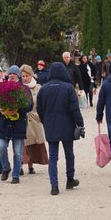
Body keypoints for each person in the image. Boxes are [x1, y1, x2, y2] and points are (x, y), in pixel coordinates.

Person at [37, 62, 84, 195]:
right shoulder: (68, 88)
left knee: (53, 156)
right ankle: (70, 179)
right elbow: (74, 109)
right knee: (69, 153)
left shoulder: (44, 89)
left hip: (50, 125)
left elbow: (39, 109)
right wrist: (80, 124)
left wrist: (44, 121)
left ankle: (54, 185)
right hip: (67, 124)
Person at [0, 66, 32, 184]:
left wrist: (17, 109)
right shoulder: (1, 87)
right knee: (0, 147)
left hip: (18, 123)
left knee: (18, 151)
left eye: (14, 73)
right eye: (10, 73)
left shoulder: (24, 89)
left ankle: (15, 175)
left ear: (18, 75)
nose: (12, 75)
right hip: (3, 123)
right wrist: (1, 109)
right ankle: (6, 168)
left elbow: (29, 106)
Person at [20, 64, 48, 174]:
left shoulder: (38, 87)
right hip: (23, 119)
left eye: (27, 76)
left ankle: (31, 165)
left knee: (34, 143)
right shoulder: (19, 88)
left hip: (35, 118)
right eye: (23, 76)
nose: (25, 78)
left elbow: (42, 103)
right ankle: (21, 165)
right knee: (23, 143)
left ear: (31, 75)